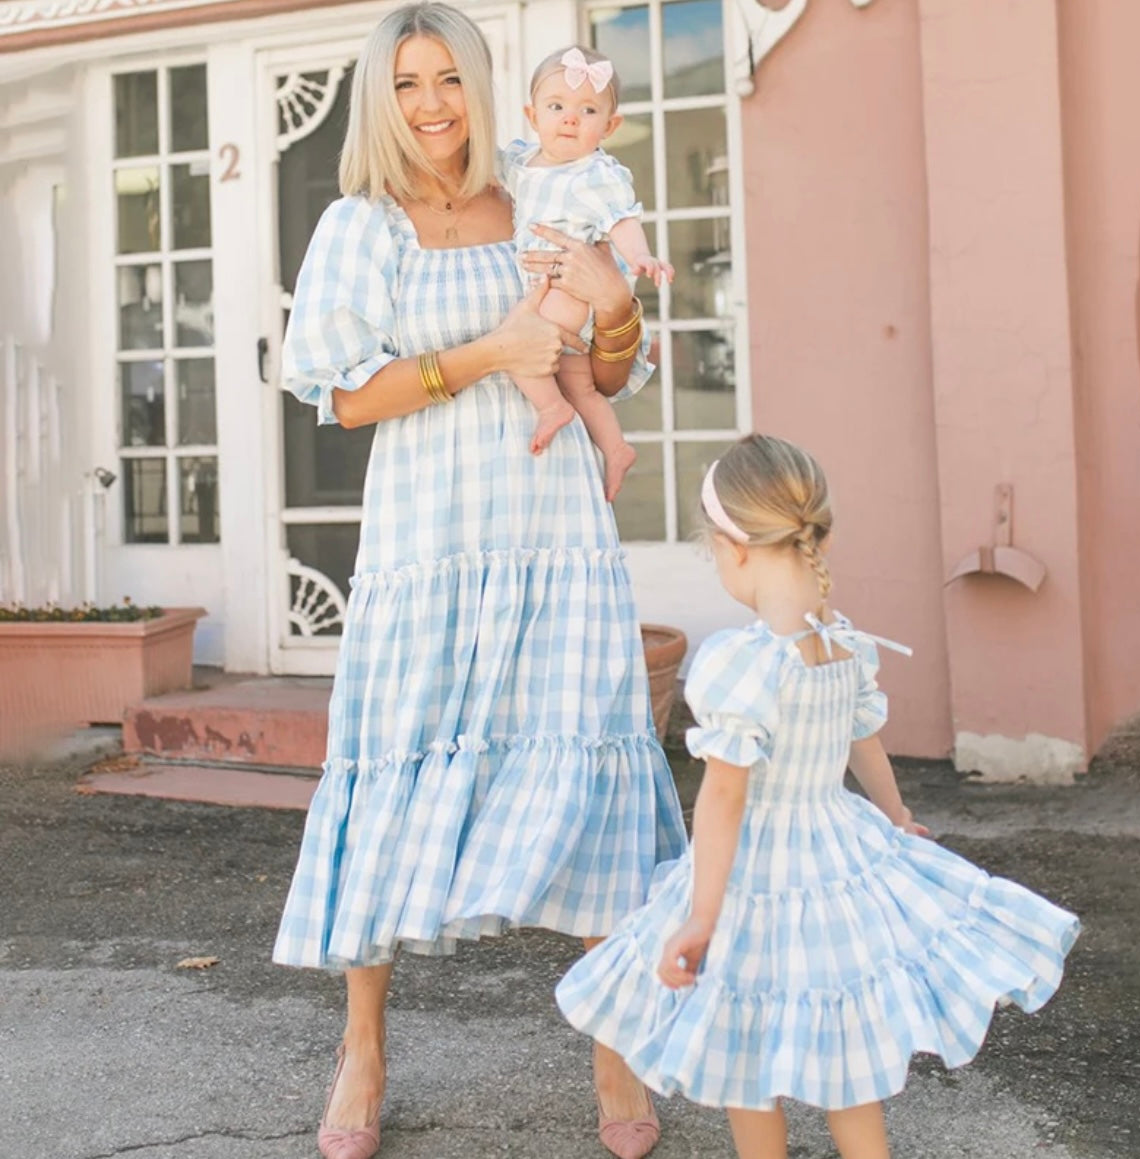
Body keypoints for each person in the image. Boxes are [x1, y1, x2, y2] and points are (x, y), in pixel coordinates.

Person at [270, 6, 687, 1159]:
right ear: (380, 99)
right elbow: (345, 396)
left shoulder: (542, 184)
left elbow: (615, 367)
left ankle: (616, 1044)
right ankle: (362, 1047)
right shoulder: (362, 224)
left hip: (555, 538)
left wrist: (613, 305)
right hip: (428, 546)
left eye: (450, 77)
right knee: (394, 762)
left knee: (590, 761)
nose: (434, 104)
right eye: (408, 83)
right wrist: (482, 360)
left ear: (485, 83)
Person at [556, 434, 1081, 1159]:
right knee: (846, 1065)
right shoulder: (840, 641)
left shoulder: (742, 662)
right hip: (838, 855)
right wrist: (895, 817)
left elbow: (723, 800)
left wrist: (701, 916)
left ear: (733, 547)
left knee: (748, 1066)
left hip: (754, 879)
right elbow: (862, 739)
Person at [501, 45, 673, 500]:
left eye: (588, 110)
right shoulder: (522, 162)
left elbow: (622, 219)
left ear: (610, 127)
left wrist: (641, 256)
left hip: (569, 285)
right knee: (581, 381)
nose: (570, 119)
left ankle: (551, 407)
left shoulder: (595, 173)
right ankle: (615, 448)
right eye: (556, 107)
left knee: (519, 348)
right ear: (532, 115)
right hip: (551, 283)